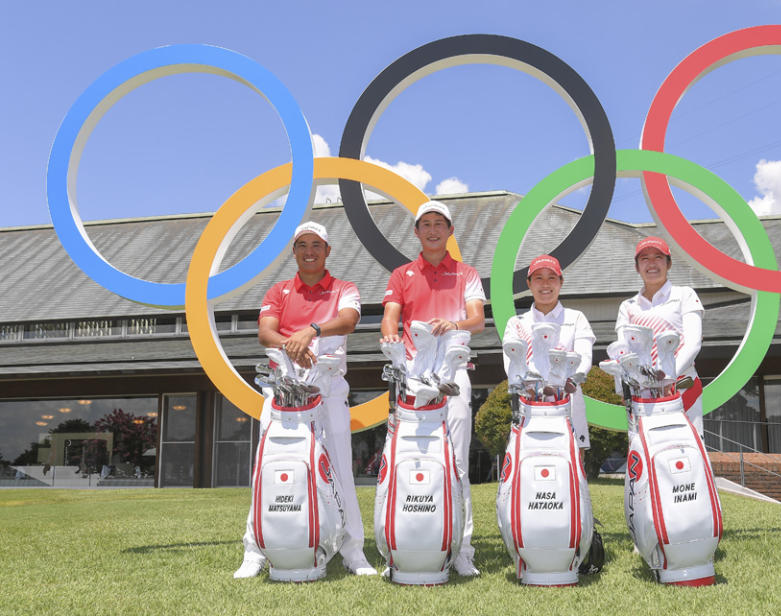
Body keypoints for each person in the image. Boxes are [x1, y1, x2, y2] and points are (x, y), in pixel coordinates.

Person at [234, 221, 376, 578]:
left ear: (327, 251)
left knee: (340, 467)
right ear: (293, 251)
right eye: (302, 245)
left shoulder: (344, 288)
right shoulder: (278, 291)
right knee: (265, 469)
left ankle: (353, 550)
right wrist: (291, 345)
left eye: (316, 244)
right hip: (282, 390)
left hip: (328, 390)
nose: (309, 251)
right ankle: (254, 551)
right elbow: (265, 332)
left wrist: (308, 331)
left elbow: (347, 321)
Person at [380, 200, 485, 577]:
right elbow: (390, 318)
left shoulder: (465, 273)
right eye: (426, 224)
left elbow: (477, 320)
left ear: (450, 231)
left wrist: (451, 322)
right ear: (417, 232)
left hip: (453, 373)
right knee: (407, 461)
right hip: (412, 375)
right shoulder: (402, 274)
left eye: (440, 223)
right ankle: (403, 543)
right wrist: (390, 338)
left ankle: (462, 548)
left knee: (456, 464)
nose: (433, 229)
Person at [502, 255, 595, 453]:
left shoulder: (576, 318)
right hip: (528, 407)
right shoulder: (516, 322)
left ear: (561, 282)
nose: (545, 284)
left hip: (568, 405)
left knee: (573, 472)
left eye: (551, 277)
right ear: (529, 283)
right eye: (538, 278)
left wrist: (567, 382)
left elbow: (584, 358)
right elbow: (511, 367)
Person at [616, 236, 705, 434]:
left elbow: (693, 344)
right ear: (637, 267)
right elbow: (622, 351)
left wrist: (666, 378)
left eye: (658, 257)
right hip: (642, 396)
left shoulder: (685, 295)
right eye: (645, 259)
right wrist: (623, 388)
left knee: (687, 455)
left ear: (669, 263)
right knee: (647, 455)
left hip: (682, 388)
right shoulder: (628, 306)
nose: (652, 263)